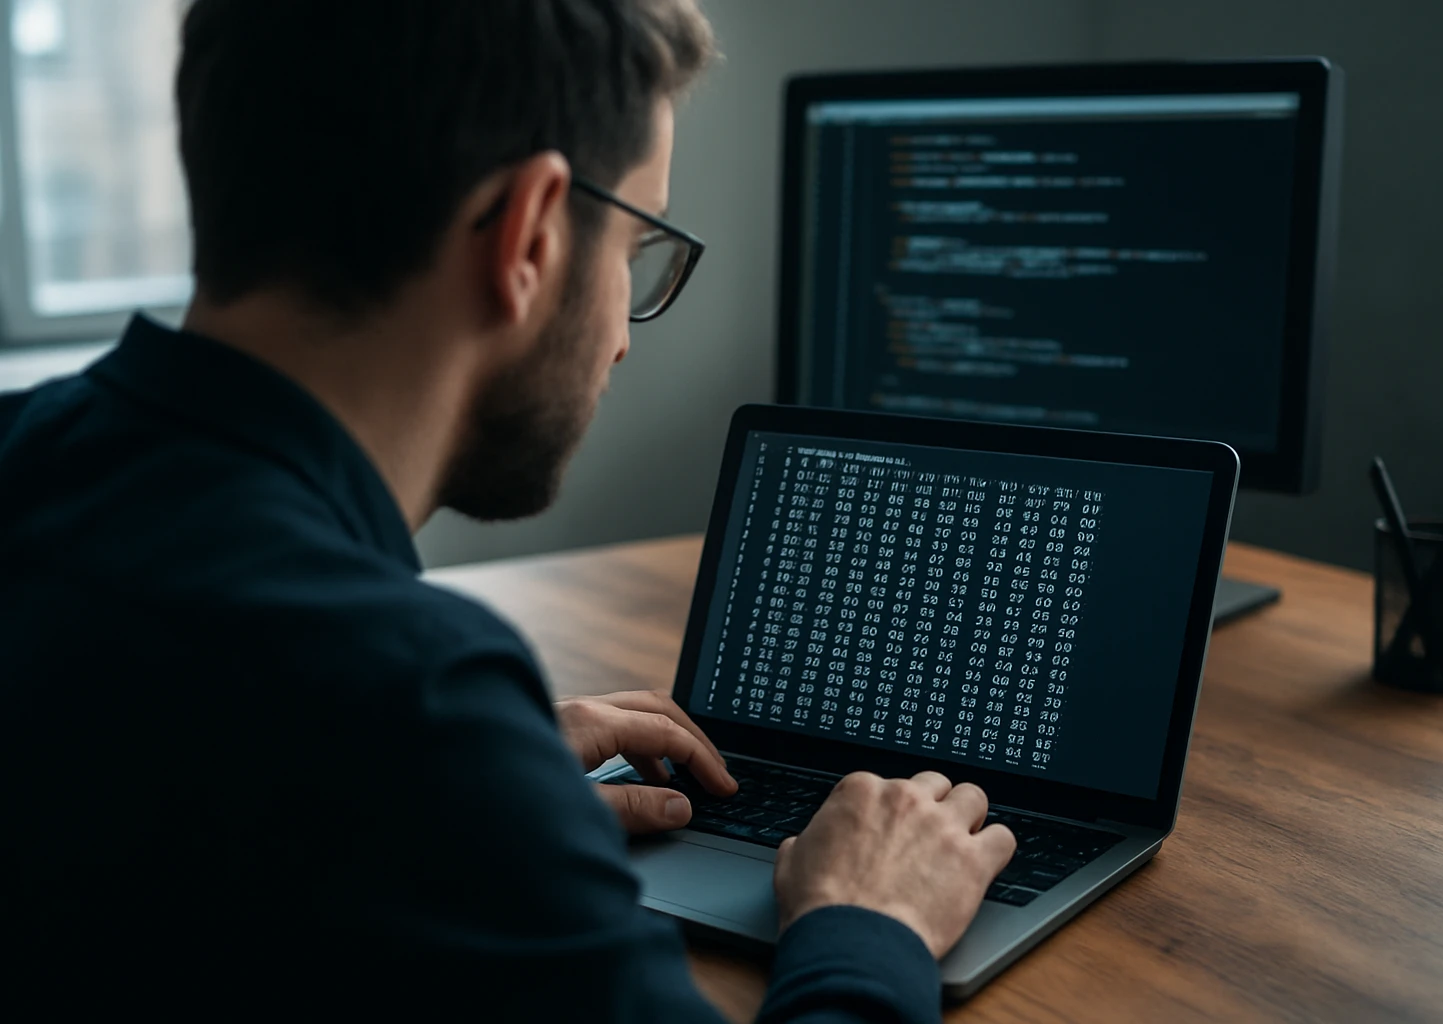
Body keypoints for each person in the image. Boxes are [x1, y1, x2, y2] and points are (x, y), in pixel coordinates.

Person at [0, 1, 1015, 1018]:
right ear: (529, 230)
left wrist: (493, 793)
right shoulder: (407, 708)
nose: (623, 336)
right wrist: (868, 920)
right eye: (633, 249)